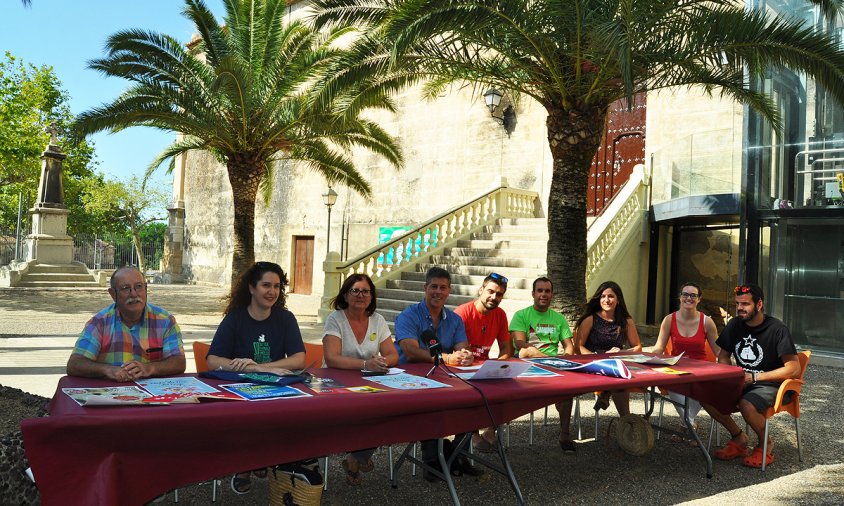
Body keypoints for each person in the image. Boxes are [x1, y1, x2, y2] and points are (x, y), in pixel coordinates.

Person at [207, 261, 306, 494]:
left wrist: (261, 367)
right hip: (239, 389)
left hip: (275, 387)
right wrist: (248, 369)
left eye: (277, 286)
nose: (272, 291)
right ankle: (246, 464)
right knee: (248, 416)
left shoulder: (285, 318)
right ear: (252, 288)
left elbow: (299, 359)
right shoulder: (235, 318)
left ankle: (266, 459)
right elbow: (212, 361)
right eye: (265, 285)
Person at [393, 266, 482, 481]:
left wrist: (465, 355)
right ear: (425, 288)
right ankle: (432, 460)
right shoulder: (408, 315)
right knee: (431, 403)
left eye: (443, 287)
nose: (438, 292)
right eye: (434, 286)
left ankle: (458, 455)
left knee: (475, 398)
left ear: (449, 291)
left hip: (445, 377)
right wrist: (447, 358)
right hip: (410, 380)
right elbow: (411, 352)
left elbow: (462, 347)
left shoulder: (454, 319)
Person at [703, 284, 800, 468]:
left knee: (746, 405)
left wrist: (755, 377)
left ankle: (766, 443)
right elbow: (723, 355)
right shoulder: (734, 325)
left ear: (759, 304)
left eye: (745, 304)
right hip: (743, 381)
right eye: (738, 304)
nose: (740, 308)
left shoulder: (777, 329)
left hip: (772, 385)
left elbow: (794, 368)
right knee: (706, 396)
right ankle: (739, 438)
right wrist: (729, 376)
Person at [323, 273, 398, 485]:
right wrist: (366, 364)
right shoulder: (335, 319)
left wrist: (383, 361)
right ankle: (360, 454)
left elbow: (393, 355)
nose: (360, 295)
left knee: (391, 409)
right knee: (364, 413)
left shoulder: (378, 320)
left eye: (366, 291)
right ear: (345, 296)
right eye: (354, 290)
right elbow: (332, 358)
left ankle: (356, 456)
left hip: (370, 383)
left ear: (372, 296)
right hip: (336, 385)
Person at [67, 265, 185, 381]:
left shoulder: (165, 321)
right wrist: (108, 370)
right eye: (125, 288)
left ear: (146, 289)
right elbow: (75, 364)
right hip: (110, 395)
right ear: (113, 294)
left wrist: (149, 368)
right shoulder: (99, 323)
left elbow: (179, 362)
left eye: (139, 287)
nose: (133, 294)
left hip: (153, 396)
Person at [509, 277, 577, 453]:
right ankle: (492, 432)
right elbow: (520, 345)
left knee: (567, 393)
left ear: (552, 295)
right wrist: (544, 359)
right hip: (527, 365)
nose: (543, 294)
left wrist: (565, 359)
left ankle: (564, 435)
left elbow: (569, 346)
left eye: (547, 291)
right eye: (540, 291)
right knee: (526, 351)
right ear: (533, 293)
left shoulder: (559, 318)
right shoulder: (521, 315)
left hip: (554, 366)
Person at [652, 282, 720, 444]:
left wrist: (729, 365)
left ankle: (686, 425)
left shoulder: (707, 322)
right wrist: (644, 359)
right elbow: (659, 347)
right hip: (677, 369)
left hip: (700, 370)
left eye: (693, 295)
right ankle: (690, 424)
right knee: (671, 383)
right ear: (680, 297)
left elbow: (718, 351)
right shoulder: (669, 320)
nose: (688, 298)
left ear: (699, 299)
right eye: (685, 294)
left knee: (703, 388)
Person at [454, 272, 513, 453]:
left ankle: (490, 430)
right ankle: (473, 434)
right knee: (470, 393)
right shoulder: (462, 313)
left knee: (510, 385)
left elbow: (506, 348)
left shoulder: (500, 315)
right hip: (461, 368)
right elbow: (455, 350)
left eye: (499, 294)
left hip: (484, 367)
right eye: (491, 291)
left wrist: (499, 365)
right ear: (481, 290)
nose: (494, 297)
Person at [575, 281, 642, 415]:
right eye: (603, 296)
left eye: (610, 296)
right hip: (593, 361)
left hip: (616, 362)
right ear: (598, 299)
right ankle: (626, 419)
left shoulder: (626, 321)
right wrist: (596, 358)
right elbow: (578, 347)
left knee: (620, 376)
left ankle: (607, 397)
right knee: (619, 378)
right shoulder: (590, 319)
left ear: (618, 300)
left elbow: (637, 347)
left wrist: (622, 352)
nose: (606, 300)